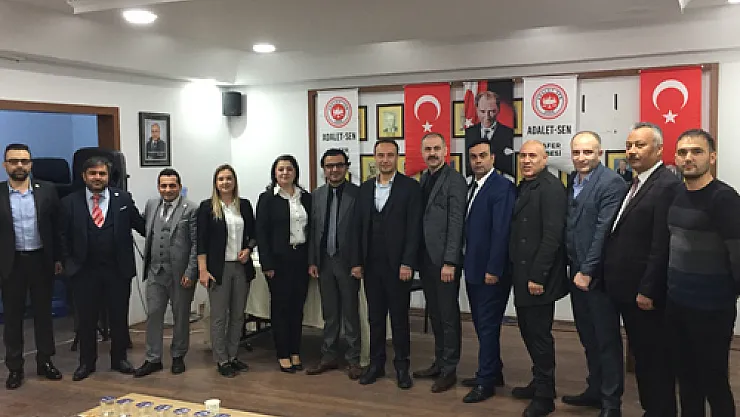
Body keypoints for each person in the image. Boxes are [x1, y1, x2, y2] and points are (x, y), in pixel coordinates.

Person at [602, 123, 681, 417]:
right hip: (625, 288)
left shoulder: (666, 186)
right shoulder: (635, 183)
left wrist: (648, 290)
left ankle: (660, 411)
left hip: (644, 293)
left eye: (640, 145)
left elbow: (662, 244)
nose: (632, 151)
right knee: (644, 357)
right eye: (629, 145)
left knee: (654, 360)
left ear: (659, 149)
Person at [666, 129, 739, 417]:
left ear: (712, 156)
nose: (688, 158)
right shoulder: (676, 194)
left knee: (714, 380)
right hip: (677, 303)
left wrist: (727, 295)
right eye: (682, 152)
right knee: (686, 379)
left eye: (696, 151)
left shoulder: (725, 199)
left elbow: (738, 254)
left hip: (712, 308)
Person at [61, 156, 145, 382]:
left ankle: (119, 359)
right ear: (84, 176)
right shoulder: (70, 202)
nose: (97, 178)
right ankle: (86, 363)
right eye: (93, 173)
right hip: (84, 271)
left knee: (119, 317)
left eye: (102, 174)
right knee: (86, 320)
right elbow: (62, 236)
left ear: (108, 176)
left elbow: (141, 225)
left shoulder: (122, 198)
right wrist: (68, 264)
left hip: (117, 270)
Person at [564, 131, 627, 417]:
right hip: (575, 272)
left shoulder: (611, 183)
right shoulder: (574, 181)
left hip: (597, 276)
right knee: (588, 337)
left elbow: (603, 231)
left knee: (606, 340)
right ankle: (595, 390)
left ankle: (611, 403)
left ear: (599, 153)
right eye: (577, 152)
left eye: (588, 152)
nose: (581, 157)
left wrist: (587, 271)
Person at [356, 139, 422, 389]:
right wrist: (357, 262)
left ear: (397, 158)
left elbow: (414, 229)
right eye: (381, 155)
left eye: (390, 155)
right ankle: (376, 364)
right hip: (371, 266)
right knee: (375, 318)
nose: (385, 160)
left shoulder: (410, 188)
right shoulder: (365, 189)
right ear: (375, 158)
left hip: (398, 267)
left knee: (399, 318)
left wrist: (408, 263)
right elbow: (357, 228)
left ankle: (402, 367)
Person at [509, 140, 568, 416]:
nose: (527, 161)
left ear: (545, 159)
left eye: (533, 156)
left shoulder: (551, 188)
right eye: (523, 156)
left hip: (538, 277)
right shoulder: (527, 185)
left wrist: (538, 276)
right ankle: (539, 381)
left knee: (539, 335)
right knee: (528, 331)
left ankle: (545, 396)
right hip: (522, 274)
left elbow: (552, 237)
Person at [0, 143, 64, 389]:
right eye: (14, 161)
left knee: (43, 314)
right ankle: (15, 367)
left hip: (41, 260)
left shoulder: (47, 190)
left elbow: (57, 228)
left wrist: (58, 258)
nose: (19, 165)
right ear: (5, 165)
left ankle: (45, 361)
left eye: (24, 161)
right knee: (13, 318)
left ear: (31, 164)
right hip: (11, 262)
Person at [461, 139, 516, 403]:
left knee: (487, 326)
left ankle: (485, 382)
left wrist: (494, 269)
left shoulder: (502, 187)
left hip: (490, 272)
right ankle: (493, 372)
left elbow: (501, 231)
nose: (478, 161)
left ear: (492, 157)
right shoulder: (472, 186)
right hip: (473, 268)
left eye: (483, 155)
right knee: (481, 324)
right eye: (473, 157)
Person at [411, 133, 466, 393]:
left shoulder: (454, 180)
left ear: (445, 151)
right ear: (422, 152)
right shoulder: (424, 178)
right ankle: (439, 361)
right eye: (427, 149)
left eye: (436, 148)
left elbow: (456, 223)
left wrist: (450, 261)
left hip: (444, 261)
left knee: (448, 316)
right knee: (435, 313)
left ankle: (449, 369)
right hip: (426, 259)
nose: (432, 153)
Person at [134, 168, 198, 378]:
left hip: (180, 273)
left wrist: (191, 271)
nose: (168, 190)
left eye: (172, 185)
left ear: (179, 186)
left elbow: (196, 244)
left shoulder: (191, 209)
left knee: (181, 316)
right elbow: (146, 228)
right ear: (158, 187)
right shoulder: (152, 205)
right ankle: (153, 358)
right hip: (155, 271)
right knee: (153, 314)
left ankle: (178, 355)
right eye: (163, 186)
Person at [306, 149, 363, 380]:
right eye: (330, 166)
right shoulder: (316, 195)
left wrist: (358, 262)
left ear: (346, 167)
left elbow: (361, 232)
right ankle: (328, 355)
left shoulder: (358, 194)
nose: (335, 170)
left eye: (339, 165)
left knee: (350, 313)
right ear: (324, 170)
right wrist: (312, 260)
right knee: (329, 313)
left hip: (348, 263)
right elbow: (313, 230)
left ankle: (353, 358)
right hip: (324, 262)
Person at [197, 164, 256, 378]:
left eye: (229, 178)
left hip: (241, 268)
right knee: (219, 317)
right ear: (215, 183)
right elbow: (201, 241)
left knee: (238, 316)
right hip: (218, 269)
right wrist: (202, 270)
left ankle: (233, 356)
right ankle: (221, 359)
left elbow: (254, 234)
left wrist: (248, 249)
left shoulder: (244, 205)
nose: (225, 182)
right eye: (221, 179)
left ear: (234, 181)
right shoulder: (207, 207)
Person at [256, 155, 312, 373]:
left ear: (295, 172)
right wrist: (267, 263)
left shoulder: (305, 197)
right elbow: (261, 233)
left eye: (289, 169)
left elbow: (312, 229)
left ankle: (295, 350)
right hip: (278, 262)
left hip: (301, 258)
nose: (285, 173)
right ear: (275, 173)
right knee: (280, 308)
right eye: (281, 169)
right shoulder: (267, 198)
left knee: (297, 308)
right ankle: (282, 353)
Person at [464, 91, 515, 177]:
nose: (487, 116)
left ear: (498, 109)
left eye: (491, 111)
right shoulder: (469, 133)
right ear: (476, 110)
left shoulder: (508, 133)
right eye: (482, 111)